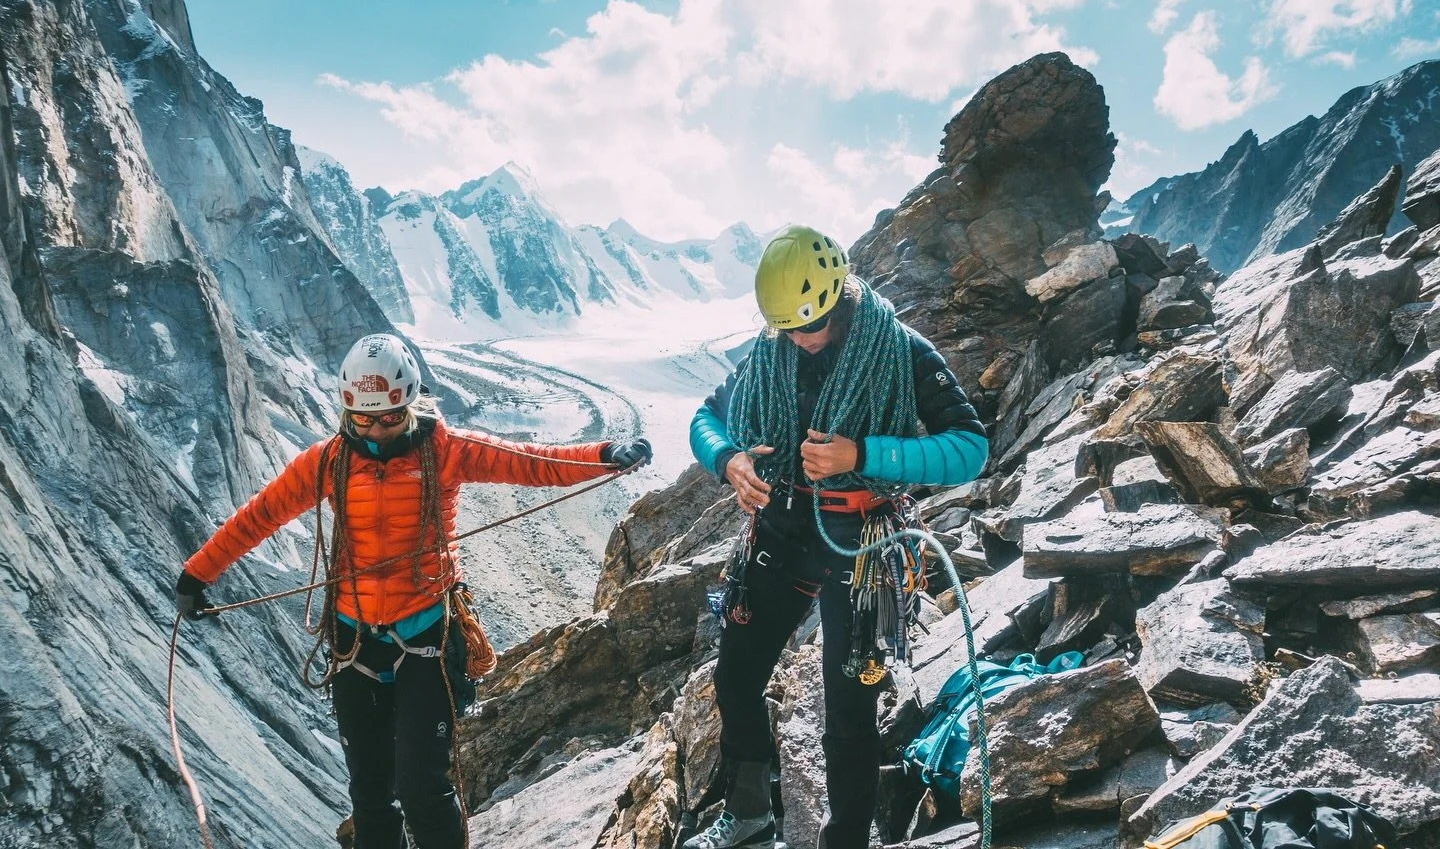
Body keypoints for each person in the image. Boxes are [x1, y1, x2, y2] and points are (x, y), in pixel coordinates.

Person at [175, 333, 652, 849]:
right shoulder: (327, 461)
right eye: (364, 419)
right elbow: (261, 515)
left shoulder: (444, 450)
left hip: (426, 636)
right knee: (371, 794)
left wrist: (604, 455)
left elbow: (529, 462)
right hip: (355, 640)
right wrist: (198, 574)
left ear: (410, 403)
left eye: (389, 418)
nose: (377, 430)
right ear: (348, 410)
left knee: (424, 787)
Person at [686, 226, 988, 849]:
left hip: (860, 542)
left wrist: (864, 452)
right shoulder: (772, 351)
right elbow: (706, 417)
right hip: (782, 530)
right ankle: (748, 815)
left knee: (848, 717)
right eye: (787, 330)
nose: (798, 341)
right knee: (736, 677)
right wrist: (730, 461)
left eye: (810, 327)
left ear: (839, 301)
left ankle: (845, 840)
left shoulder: (899, 349)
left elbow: (969, 448)